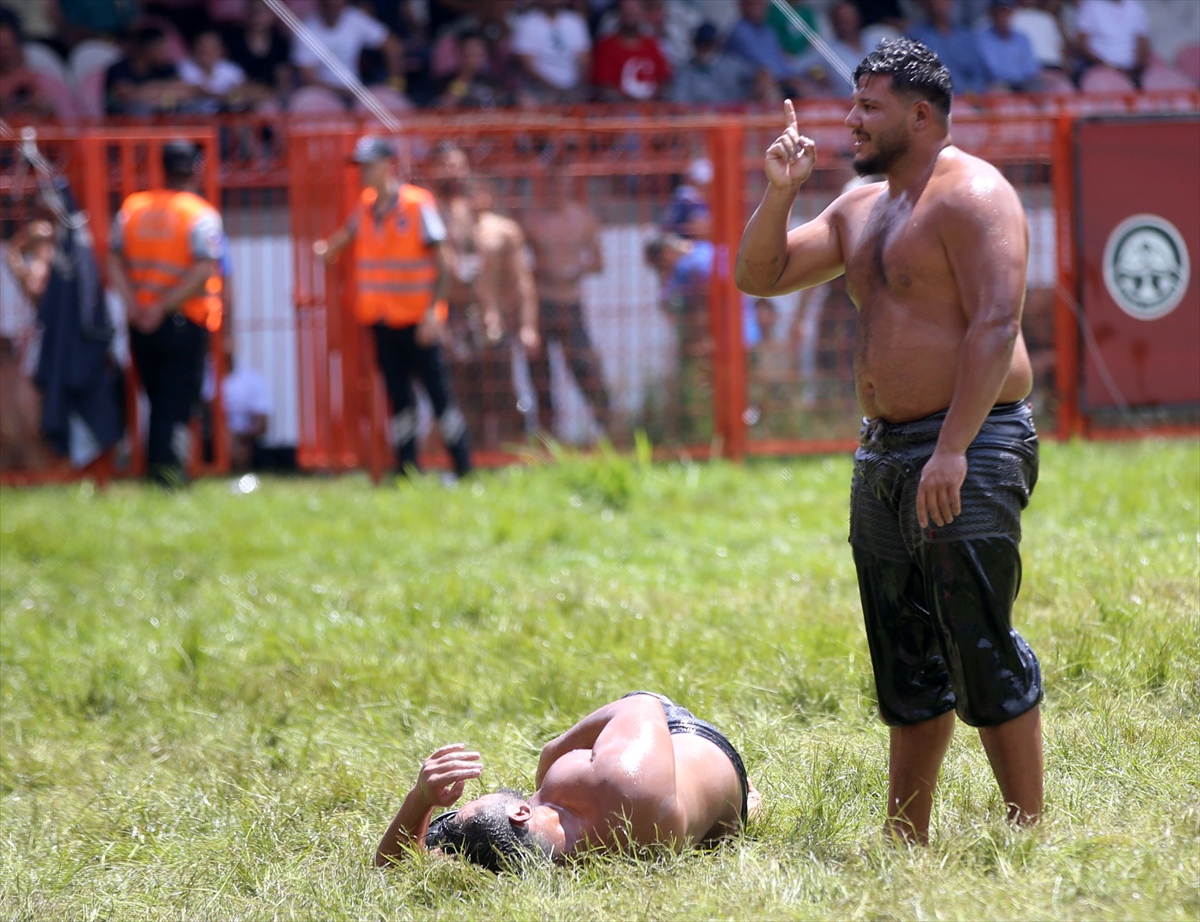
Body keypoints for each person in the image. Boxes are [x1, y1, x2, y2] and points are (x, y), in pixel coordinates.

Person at [735, 39, 1043, 844]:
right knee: (904, 655)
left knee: (975, 635)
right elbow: (760, 275)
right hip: (883, 452)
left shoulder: (975, 194)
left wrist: (953, 449)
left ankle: (1027, 831)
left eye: (869, 106)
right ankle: (906, 835)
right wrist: (780, 192)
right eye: (853, 103)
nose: (851, 119)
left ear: (921, 114)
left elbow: (995, 324)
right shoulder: (858, 208)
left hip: (970, 442)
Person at [375, 691, 757, 870]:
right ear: (520, 813)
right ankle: (747, 798)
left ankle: (748, 806)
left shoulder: (525, 861)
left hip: (720, 819)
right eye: (479, 800)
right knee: (644, 699)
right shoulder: (617, 782)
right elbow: (644, 706)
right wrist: (551, 755)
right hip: (694, 741)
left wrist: (420, 799)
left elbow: (391, 867)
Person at [313, 136, 471, 480]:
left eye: (369, 165)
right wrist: (326, 250)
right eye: (360, 166)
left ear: (388, 165)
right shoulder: (366, 205)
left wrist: (434, 313)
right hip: (382, 319)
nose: (363, 173)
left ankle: (463, 468)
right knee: (399, 400)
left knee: (439, 397)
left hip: (418, 320)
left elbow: (444, 262)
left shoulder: (417, 204)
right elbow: (346, 236)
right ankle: (407, 470)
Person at [108, 141, 223, 486]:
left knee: (156, 399)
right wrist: (163, 306)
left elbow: (113, 259)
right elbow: (204, 270)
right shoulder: (200, 213)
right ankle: (168, 476)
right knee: (177, 403)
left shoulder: (133, 208)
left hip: (141, 323)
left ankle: (158, 471)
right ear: (196, 169)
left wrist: (134, 304)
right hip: (183, 320)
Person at [433, 145, 539, 452]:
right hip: (455, 322)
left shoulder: (502, 231)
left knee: (504, 395)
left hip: (492, 323)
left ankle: (512, 458)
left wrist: (528, 326)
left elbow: (523, 282)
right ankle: (471, 459)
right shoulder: (440, 223)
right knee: (462, 398)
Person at [522, 164, 612, 441]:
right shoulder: (532, 220)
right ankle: (548, 435)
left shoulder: (583, 219)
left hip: (571, 303)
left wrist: (575, 270)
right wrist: (541, 271)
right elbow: (518, 264)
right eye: (551, 184)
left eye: (561, 183)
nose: (556, 189)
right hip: (542, 302)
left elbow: (599, 262)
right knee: (540, 374)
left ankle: (609, 426)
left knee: (585, 367)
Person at [291, 0, 392, 100]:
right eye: (330, 5)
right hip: (321, 93)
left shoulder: (355, 18)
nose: (333, 10)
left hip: (356, 90)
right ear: (321, 4)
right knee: (308, 99)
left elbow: (392, 45)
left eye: (338, 5)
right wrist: (344, 92)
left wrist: (394, 82)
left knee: (384, 99)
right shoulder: (306, 29)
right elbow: (309, 79)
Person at [511, 0, 592, 105]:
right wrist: (556, 91)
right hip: (540, 90)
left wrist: (576, 89)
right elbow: (528, 67)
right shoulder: (527, 22)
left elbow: (584, 61)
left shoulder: (575, 21)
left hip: (573, 90)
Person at [591, 0, 672, 102]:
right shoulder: (606, 46)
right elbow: (603, 84)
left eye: (634, 13)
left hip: (651, 107)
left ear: (642, 14)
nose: (631, 17)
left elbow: (664, 79)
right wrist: (629, 102)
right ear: (619, 14)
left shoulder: (653, 44)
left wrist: (652, 99)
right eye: (627, 12)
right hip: (617, 108)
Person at [105, 25, 196, 116]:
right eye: (159, 49)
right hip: (127, 117)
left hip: (162, 108)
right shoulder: (119, 68)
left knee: (192, 106)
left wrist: (153, 93)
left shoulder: (166, 67)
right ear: (146, 48)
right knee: (140, 108)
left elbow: (186, 92)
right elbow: (125, 95)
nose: (164, 52)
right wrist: (165, 88)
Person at [908, 0, 988, 95]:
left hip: (973, 96)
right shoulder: (917, 36)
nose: (940, 6)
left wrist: (974, 91)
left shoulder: (965, 35)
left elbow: (978, 71)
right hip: (938, 97)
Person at [668, 20, 755, 107]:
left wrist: (758, 85)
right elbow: (679, 103)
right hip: (699, 114)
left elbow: (758, 75)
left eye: (708, 44)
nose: (704, 48)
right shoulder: (685, 73)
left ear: (717, 44)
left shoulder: (732, 65)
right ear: (694, 44)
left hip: (733, 113)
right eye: (700, 43)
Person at [1076, 0, 1149, 86]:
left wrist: (1135, 70)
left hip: (1132, 70)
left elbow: (1142, 42)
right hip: (1100, 68)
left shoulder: (1135, 7)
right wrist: (1111, 68)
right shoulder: (1090, 6)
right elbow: (1082, 45)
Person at [977, 0, 1041, 93]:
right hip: (997, 84)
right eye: (999, 13)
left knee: (1042, 87)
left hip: (1024, 84)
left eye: (1006, 12)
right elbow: (991, 69)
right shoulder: (982, 38)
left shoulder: (1022, 38)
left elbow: (1031, 68)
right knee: (996, 90)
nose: (1003, 17)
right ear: (992, 14)